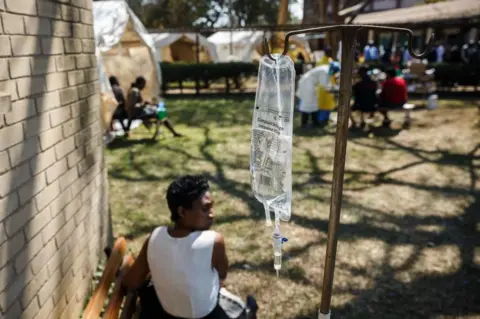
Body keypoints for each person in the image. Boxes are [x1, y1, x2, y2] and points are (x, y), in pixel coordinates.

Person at [122, 175, 257, 319]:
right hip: (208, 316)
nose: (212, 214)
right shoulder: (213, 241)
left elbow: (131, 281)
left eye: (211, 207)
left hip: (164, 314)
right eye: (205, 209)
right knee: (240, 306)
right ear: (182, 212)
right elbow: (221, 276)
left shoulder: (154, 237)